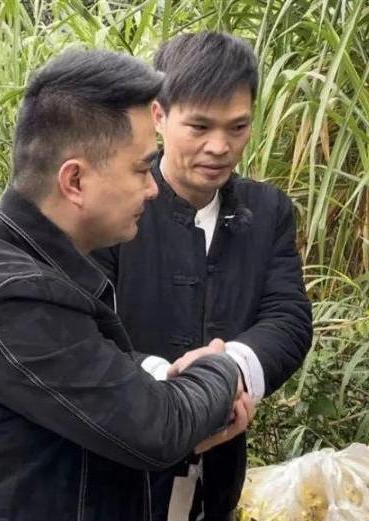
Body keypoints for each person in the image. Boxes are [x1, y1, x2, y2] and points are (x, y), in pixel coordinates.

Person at [0, 48, 255, 521]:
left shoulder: (30, 258)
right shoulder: (12, 296)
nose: (152, 188)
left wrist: (168, 381)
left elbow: (90, 376)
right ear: (75, 181)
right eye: (142, 169)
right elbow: (159, 428)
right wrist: (222, 368)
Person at [91, 32, 313, 521]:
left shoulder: (267, 211)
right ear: (159, 115)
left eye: (238, 127)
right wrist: (171, 387)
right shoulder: (109, 207)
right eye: (199, 126)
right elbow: (81, 334)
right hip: (114, 468)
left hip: (219, 469)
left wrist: (231, 369)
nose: (219, 147)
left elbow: (288, 317)